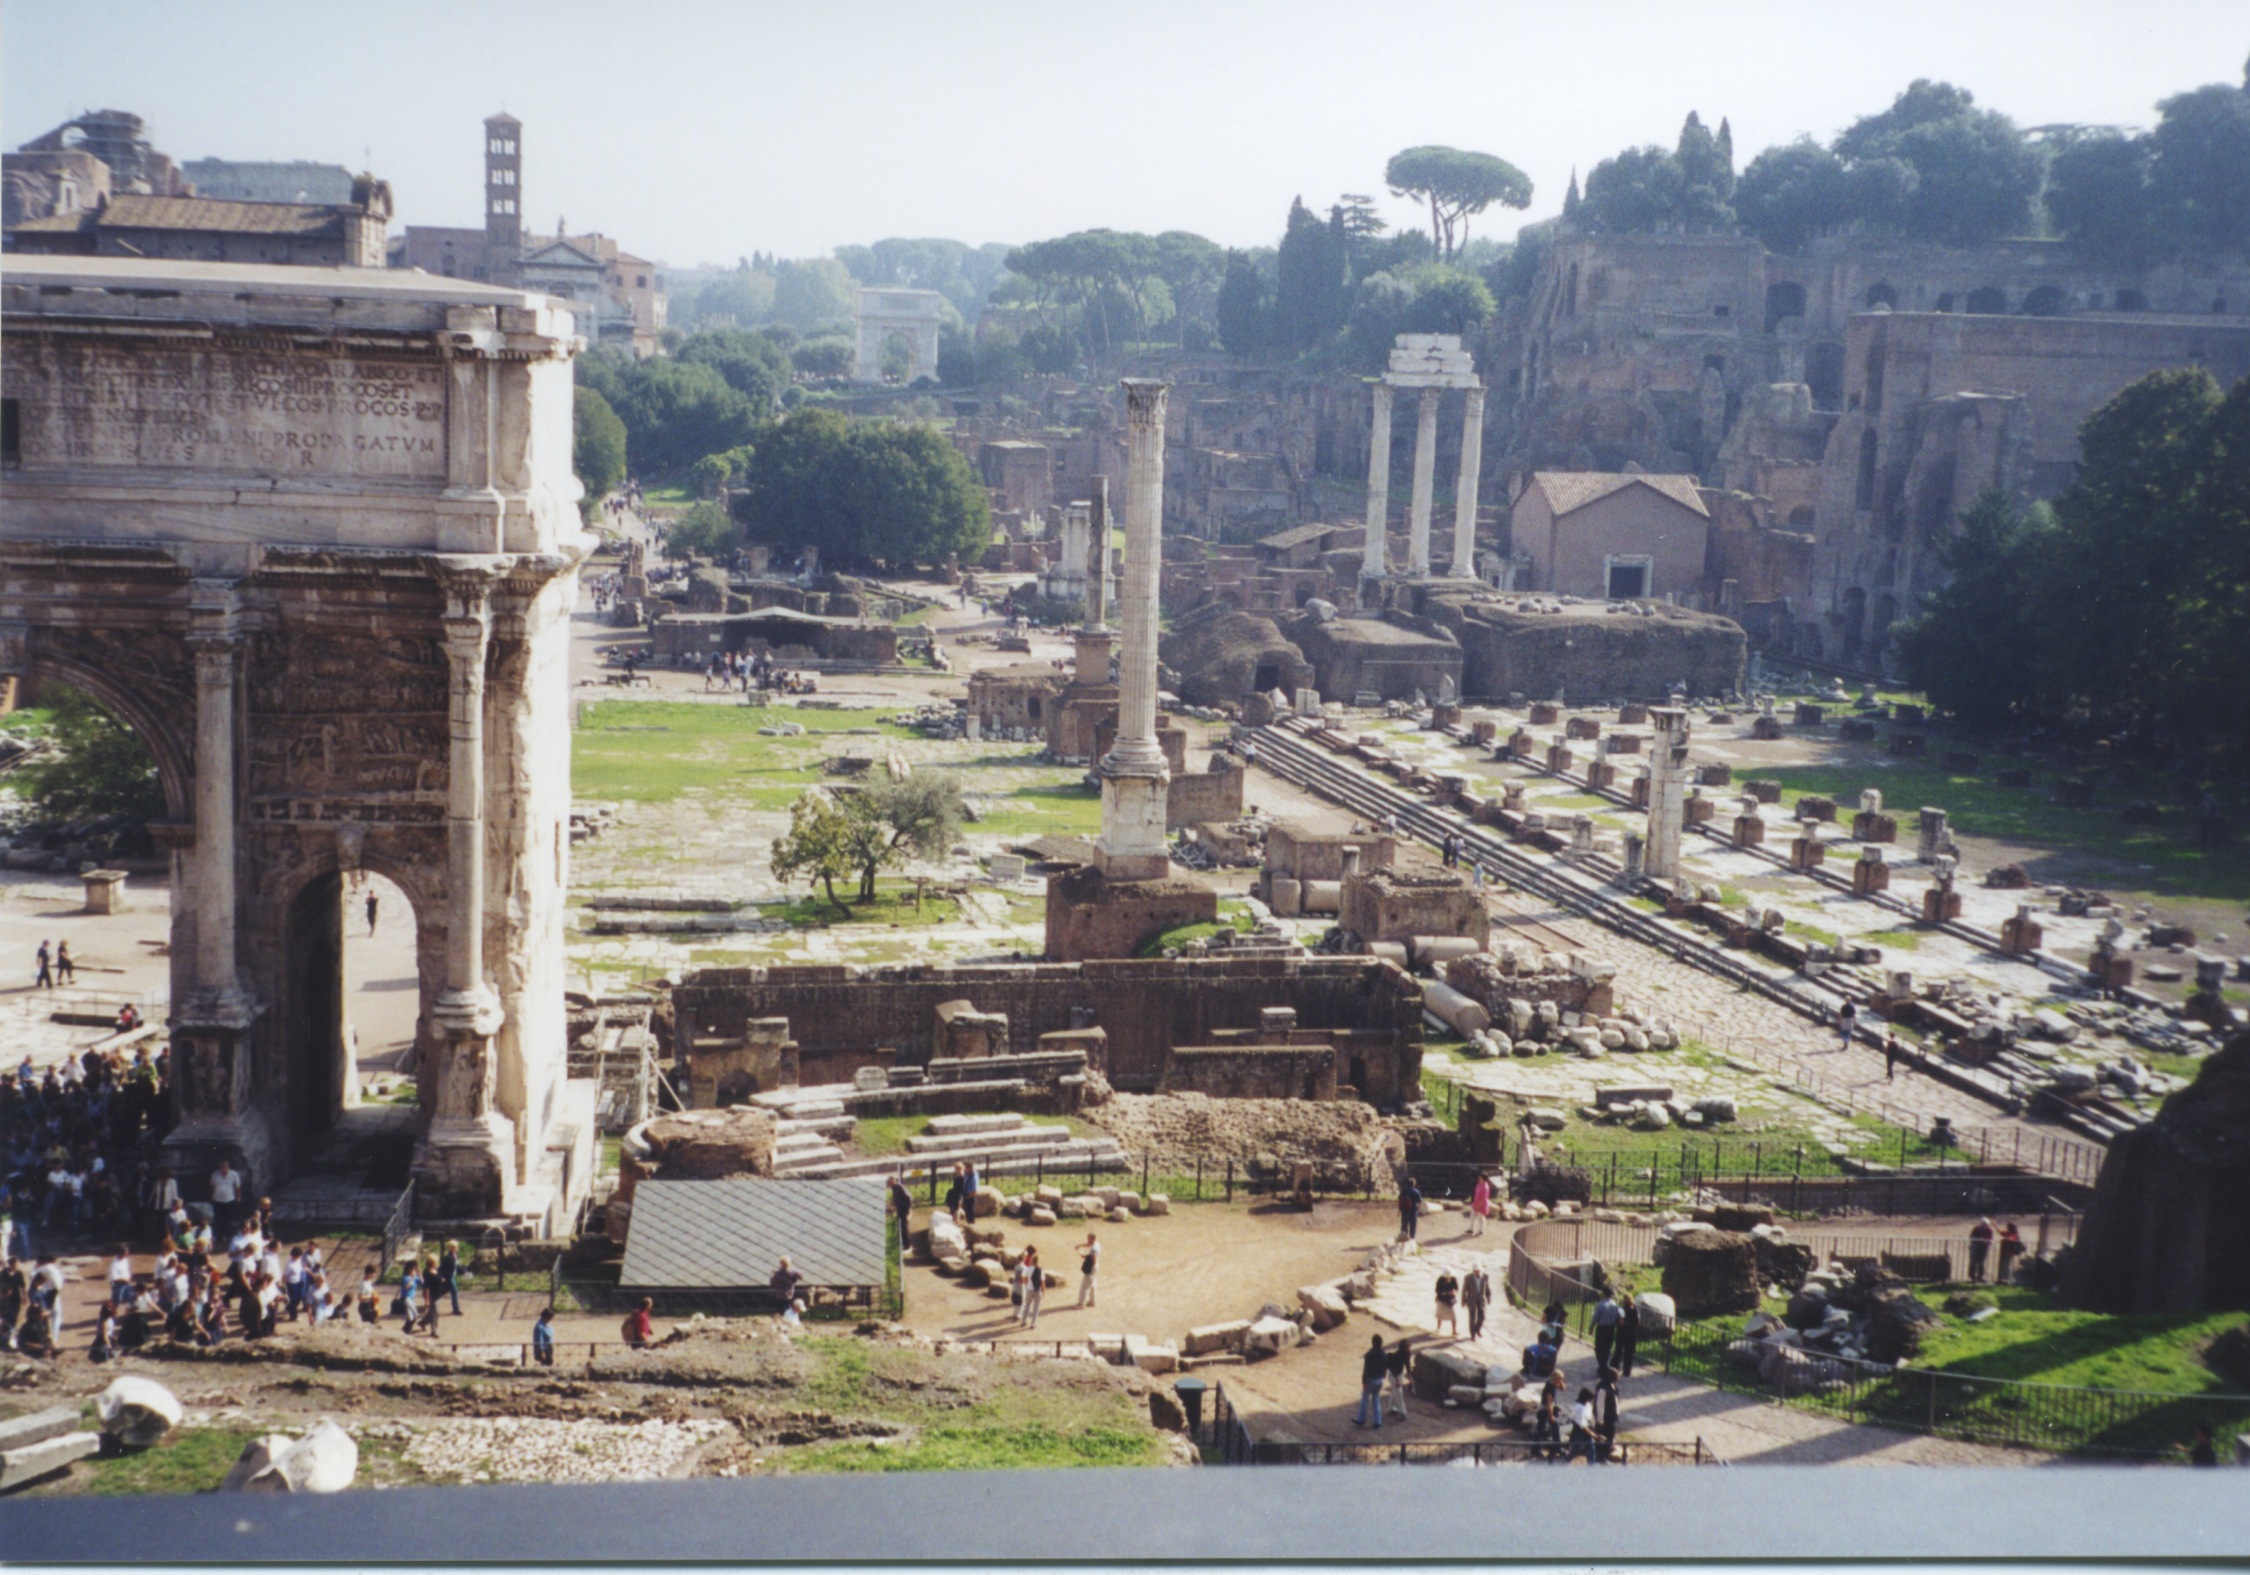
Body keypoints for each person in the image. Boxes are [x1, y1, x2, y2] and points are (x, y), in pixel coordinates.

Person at [1354, 1333, 1389, 1429]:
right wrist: (1383, 1376)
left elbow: (1366, 1369)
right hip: (1379, 1380)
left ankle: (1361, 1419)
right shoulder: (1384, 1354)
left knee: (1365, 1399)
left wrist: (1364, 1381)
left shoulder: (1370, 1354)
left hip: (1370, 1379)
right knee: (1376, 1399)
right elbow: (1385, 1366)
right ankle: (1378, 1421)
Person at [1591, 1287, 1623, 1374]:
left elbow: (1595, 1318)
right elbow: (1618, 1317)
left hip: (1602, 1328)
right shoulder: (1615, 1305)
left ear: (1604, 1294)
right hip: (1611, 1328)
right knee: (1607, 1348)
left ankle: (1602, 1366)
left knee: (1599, 1348)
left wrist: (1591, 1327)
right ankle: (1603, 1365)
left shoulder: (1600, 1305)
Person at [208, 1159, 242, 1238]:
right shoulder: (215, 1174)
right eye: (221, 1166)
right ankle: (218, 1235)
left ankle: (226, 1235)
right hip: (217, 1199)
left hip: (229, 1199)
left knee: (227, 1218)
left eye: (225, 1166)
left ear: (228, 1166)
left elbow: (237, 1187)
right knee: (218, 1218)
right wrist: (211, 1196)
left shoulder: (234, 1174)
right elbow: (212, 1186)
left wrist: (239, 1196)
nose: (223, 1167)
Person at [1385, 1336, 1413, 1420]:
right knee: (1399, 1393)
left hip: (1399, 1374)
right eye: (1407, 1346)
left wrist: (1410, 1377)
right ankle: (1402, 1412)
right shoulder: (1396, 1356)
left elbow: (1407, 1365)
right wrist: (1396, 1380)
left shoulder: (1407, 1353)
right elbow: (1393, 1369)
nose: (1409, 1348)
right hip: (1393, 1376)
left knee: (1395, 1392)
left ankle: (1391, 1408)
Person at [1615, 1291, 1642, 1379]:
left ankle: (1615, 1369)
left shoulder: (1622, 1309)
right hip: (1632, 1333)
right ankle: (1627, 1371)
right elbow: (1638, 1321)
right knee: (1629, 1353)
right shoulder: (1636, 1309)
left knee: (1618, 1351)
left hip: (1622, 1333)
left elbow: (1621, 1322)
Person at [1462, 1264, 1491, 1342]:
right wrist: (1463, 1300)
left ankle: (1477, 1329)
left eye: (1478, 1271)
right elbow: (1464, 1290)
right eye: (1475, 1271)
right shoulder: (1468, 1278)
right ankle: (1472, 1335)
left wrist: (1488, 1297)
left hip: (1481, 1299)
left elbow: (1487, 1288)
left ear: (1480, 1271)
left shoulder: (1485, 1277)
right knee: (1472, 1318)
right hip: (1471, 1300)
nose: (1476, 1272)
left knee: (1482, 1316)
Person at [1016, 1246, 1043, 1328]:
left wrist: (1026, 1284)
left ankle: (1023, 1321)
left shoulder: (1027, 1269)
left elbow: (1023, 1278)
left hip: (1029, 1289)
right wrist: (1043, 1290)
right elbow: (1042, 1281)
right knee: (1036, 1307)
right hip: (1037, 1290)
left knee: (1027, 1305)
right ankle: (1033, 1323)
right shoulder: (1040, 1269)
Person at [888, 1175, 914, 1249]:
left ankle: (907, 1244)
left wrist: (908, 1208)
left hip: (904, 1209)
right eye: (889, 1183)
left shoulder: (899, 1187)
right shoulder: (894, 1188)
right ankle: (902, 1243)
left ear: (894, 1181)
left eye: (890, 1182)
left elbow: (909, 1197)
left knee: (904, 1227)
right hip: (900, 1209)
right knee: (901, 1227)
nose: (889, 1184)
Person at [438, 1240, 463, 1315]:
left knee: (444, 1291)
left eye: (455, 1247)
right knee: (454, 1292)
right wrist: (442, 1277)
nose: (455, 1249)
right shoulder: (447, 1258)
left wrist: (464, 1271)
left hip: (452, 1276)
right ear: (450, 1248)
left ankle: (433, 1299)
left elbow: (457, 1266)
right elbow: (442, 1268)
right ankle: (456, 1309)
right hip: (448, 1277)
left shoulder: (455, 1256)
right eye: (453, 1247)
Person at [1433, 1268, 1460, 1338]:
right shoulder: (1440, 1279)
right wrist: (1444, 1293)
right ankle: (1438, 1328)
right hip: (1441, 1299)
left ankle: (1454, 1331)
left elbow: (1456, 1288)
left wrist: (1453, 1292)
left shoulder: (1453, 1279)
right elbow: (1437, 1290)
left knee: (1453, 1316)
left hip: (1450, 1300)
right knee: (1439, 1315)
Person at [1397, 1174, 1423, 1244]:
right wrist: (1418, 1210)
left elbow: (1399, 1200)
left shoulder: (1404, 1190)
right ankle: (1411, 1240)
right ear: (1414, 1184)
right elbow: (1420, 1202)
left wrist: (1399, 1209)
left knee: (1404, 1225)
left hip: (1405, 1210)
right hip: (1413, 1211)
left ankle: (1403, 1239)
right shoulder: (1416, 1192)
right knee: (1412, 1226)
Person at [1996, 1221, 2024, 1285]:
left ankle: (2007, 1279)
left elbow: (2011, 1239)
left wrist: (2007, 1239)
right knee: (2003, 1265)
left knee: (2007, 1266)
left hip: (2009, 1253)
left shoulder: (2014, 1235)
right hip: (2005, 1252)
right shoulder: (2010, 1233)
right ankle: (2001, 1279)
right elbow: (2000, 1232)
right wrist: (1995, 1225)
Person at [1968, 1218, 1995, 1283]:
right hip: (1975, 1247)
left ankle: (1980, 1277)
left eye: (1987, 1224)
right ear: (1982, 1224)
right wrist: (1979, 1239)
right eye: (1984, 1224)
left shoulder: (1989, 1230)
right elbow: (1971, 1236)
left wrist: (1987, 1241)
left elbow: (1991, 1239)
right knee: (1973, 1262)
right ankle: (1972, 1277)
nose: (1986, 1226)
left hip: (1984, 1248)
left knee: (1981, 1263)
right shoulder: (1977, 1229)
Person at [1077, 1233, 1100, 1309]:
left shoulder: (1093, 1249)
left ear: (1093, 1239)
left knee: (1084, 1286)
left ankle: (1081, 1304)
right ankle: (1092, 1301)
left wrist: (1085, 1257)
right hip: (1096, 1267)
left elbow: (1093, 1260)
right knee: (1092, 1284)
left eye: (1089, 1239)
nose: (1088, 1241)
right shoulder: (1097, 1244)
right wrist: (1080, 1246)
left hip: (1092, 1267)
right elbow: (1089, 1244)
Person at [1468, 1173, 1492, 1238]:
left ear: (1484, 1179)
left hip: (1481, 1205)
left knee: (1480, 1218)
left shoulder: (1485, 1187)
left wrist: (1478, 1207)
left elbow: (1482, 1199)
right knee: (1472, 1216)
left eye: (1480, 1177)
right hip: (1476, 1203)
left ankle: (1481, 1231)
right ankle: (1470, 1229)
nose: (1479, 1178)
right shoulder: (1479, 1184)